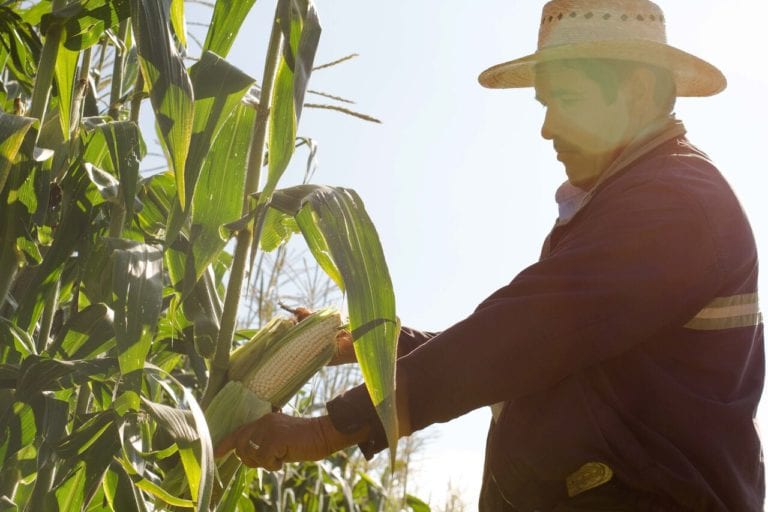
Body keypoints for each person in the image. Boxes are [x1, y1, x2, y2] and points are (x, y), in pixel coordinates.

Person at [215, 1, 764, 510]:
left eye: (566, 100)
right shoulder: (633, 200)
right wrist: (376, 346)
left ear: (640, 93)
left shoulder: (676, 203)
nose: (547, 127)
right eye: (545, 104)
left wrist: (325, 430)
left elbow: (521, 336)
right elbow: (539, 351)